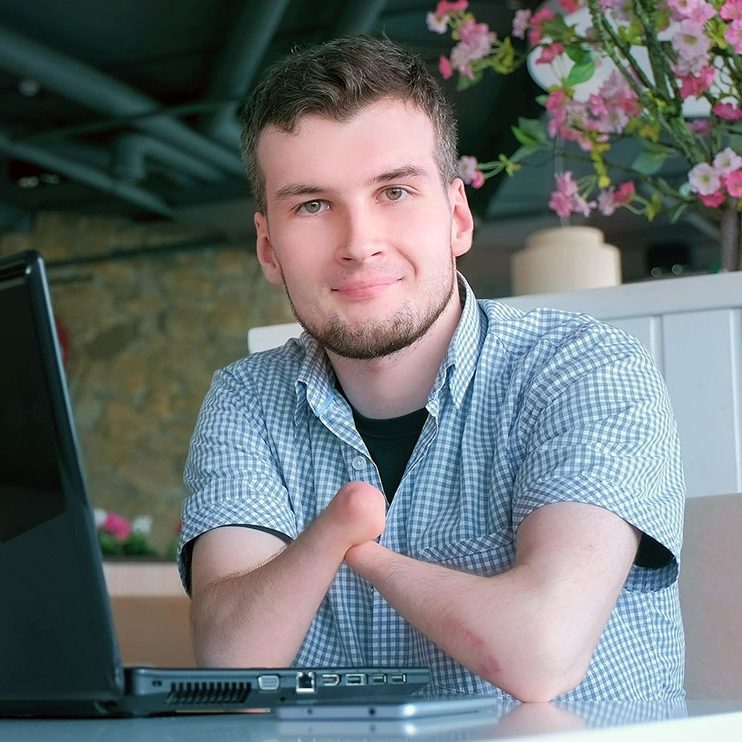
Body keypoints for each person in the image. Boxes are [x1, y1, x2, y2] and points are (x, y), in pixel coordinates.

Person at [178, 34, 685, 702]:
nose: (359, 244)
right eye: (312, 205)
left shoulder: (584, 368)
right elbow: (230, 658)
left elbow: (542, 654)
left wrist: (354, 546)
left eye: (393, 192)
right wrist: (334, 530)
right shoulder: (245, 399)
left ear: (455, 217)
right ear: (269, 250)